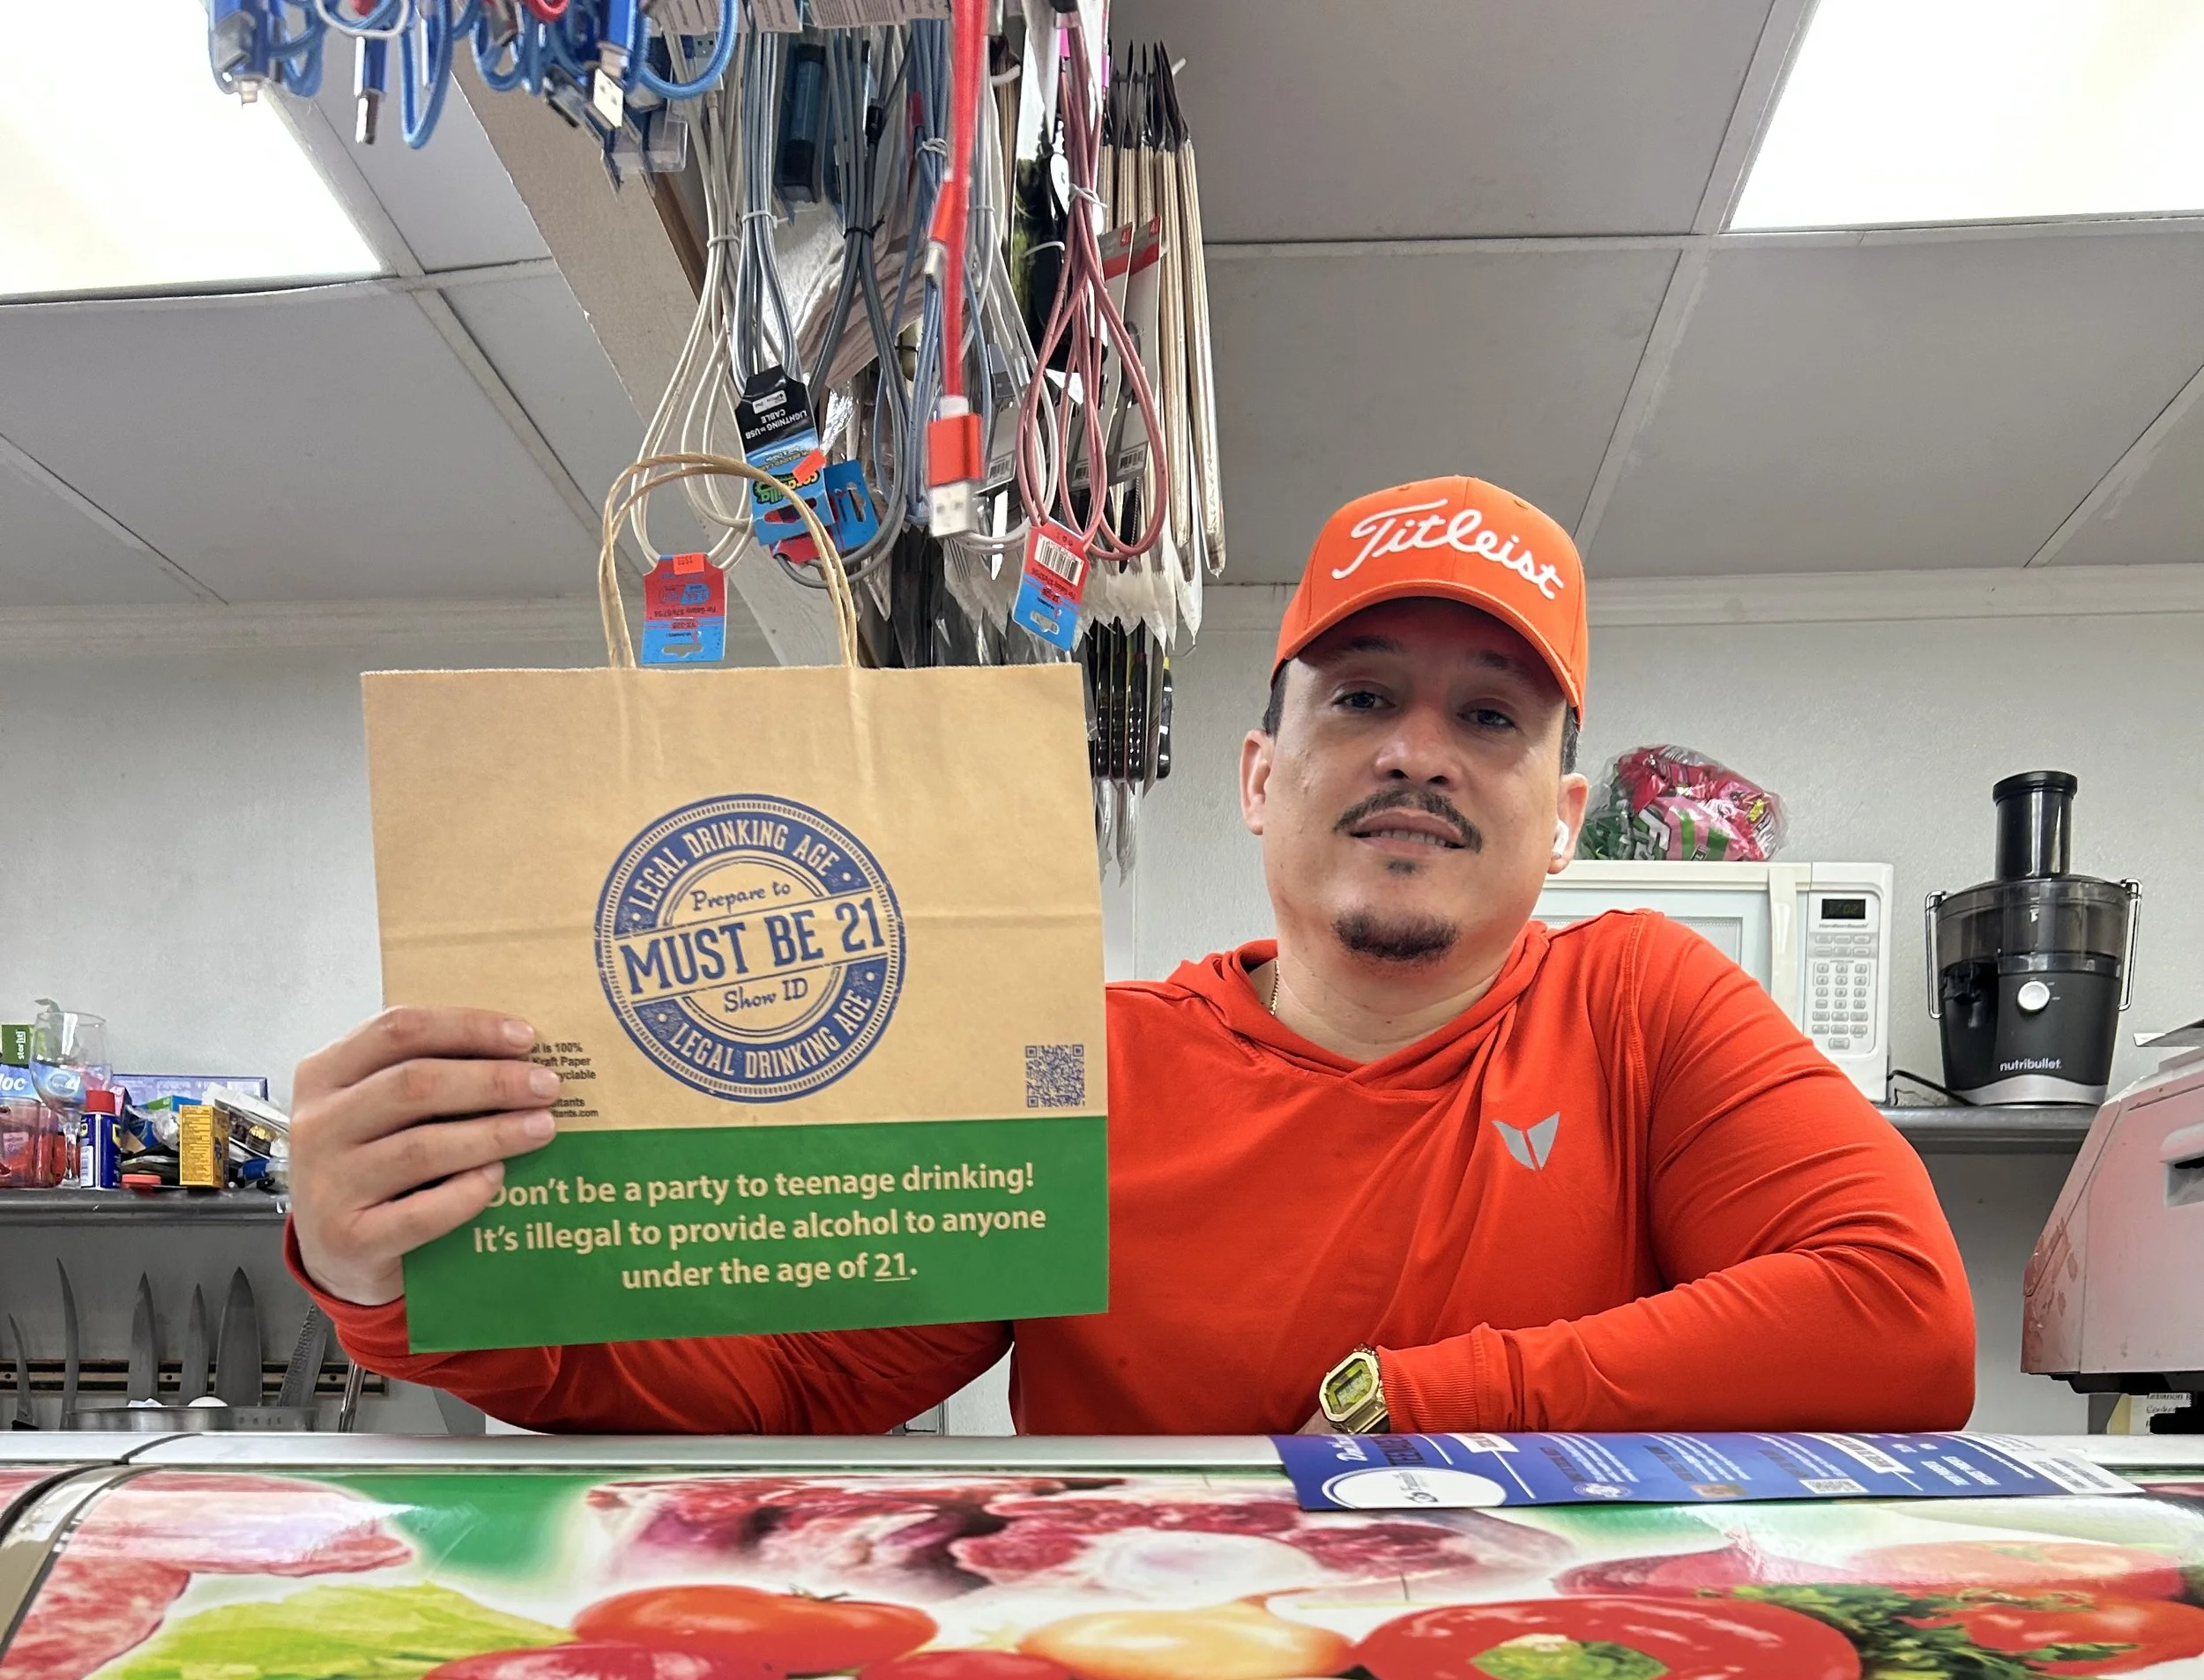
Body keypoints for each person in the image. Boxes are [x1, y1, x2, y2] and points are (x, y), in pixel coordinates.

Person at [286, 473, 1974, 1436]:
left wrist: (1410, 1403)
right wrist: (396, 1279)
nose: (1418, 753)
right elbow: (792, 1371)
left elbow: (1898, 1324)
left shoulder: (1647, 1007)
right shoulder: (1082, 1063)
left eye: (1490, 719)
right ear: (1260, 778)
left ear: (1561, 815)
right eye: (1363, 699)